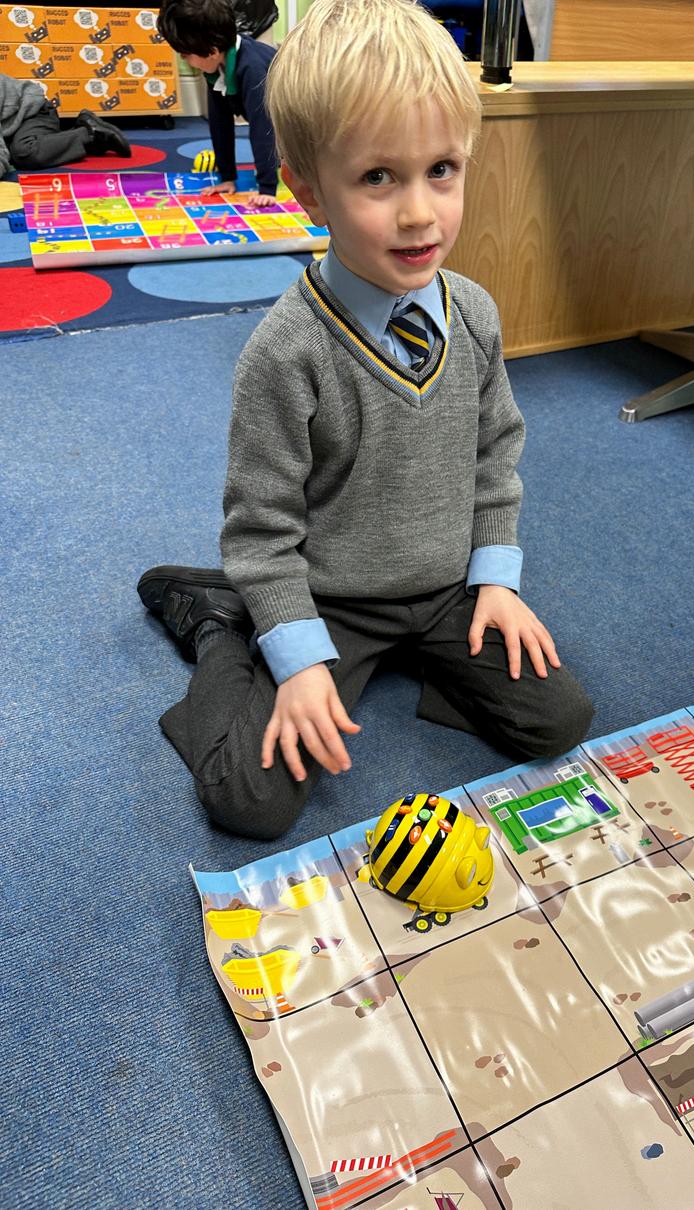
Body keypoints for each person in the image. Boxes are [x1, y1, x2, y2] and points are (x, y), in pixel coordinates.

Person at [137, 0, 594, 842]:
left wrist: (496, 578)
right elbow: (261, 530)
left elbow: (496, 452)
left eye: (442, 170)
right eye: (378, 178)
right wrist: (298, 654)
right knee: (248, 800)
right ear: (309, 191)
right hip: (332, 597)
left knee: (559, 720)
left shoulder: (476, 312)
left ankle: (407, 651)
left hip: (445, 590)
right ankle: (218, 621)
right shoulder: (285, 353)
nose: (421, 213)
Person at [157, 0, 280, 207]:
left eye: (185, 55)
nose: (184, 60)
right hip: (277, 122)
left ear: (212, 52)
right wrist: (227, 178)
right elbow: (220, 123)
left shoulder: (253, 68)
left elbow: (263, 128)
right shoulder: (215, 68)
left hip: (305, 115)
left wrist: (267, 188)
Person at [1, 73, 129, 176]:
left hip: (35, 112)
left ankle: (91, 134)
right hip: (12, 122)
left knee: (25, 153)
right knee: (15, 153)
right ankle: (71, 137)